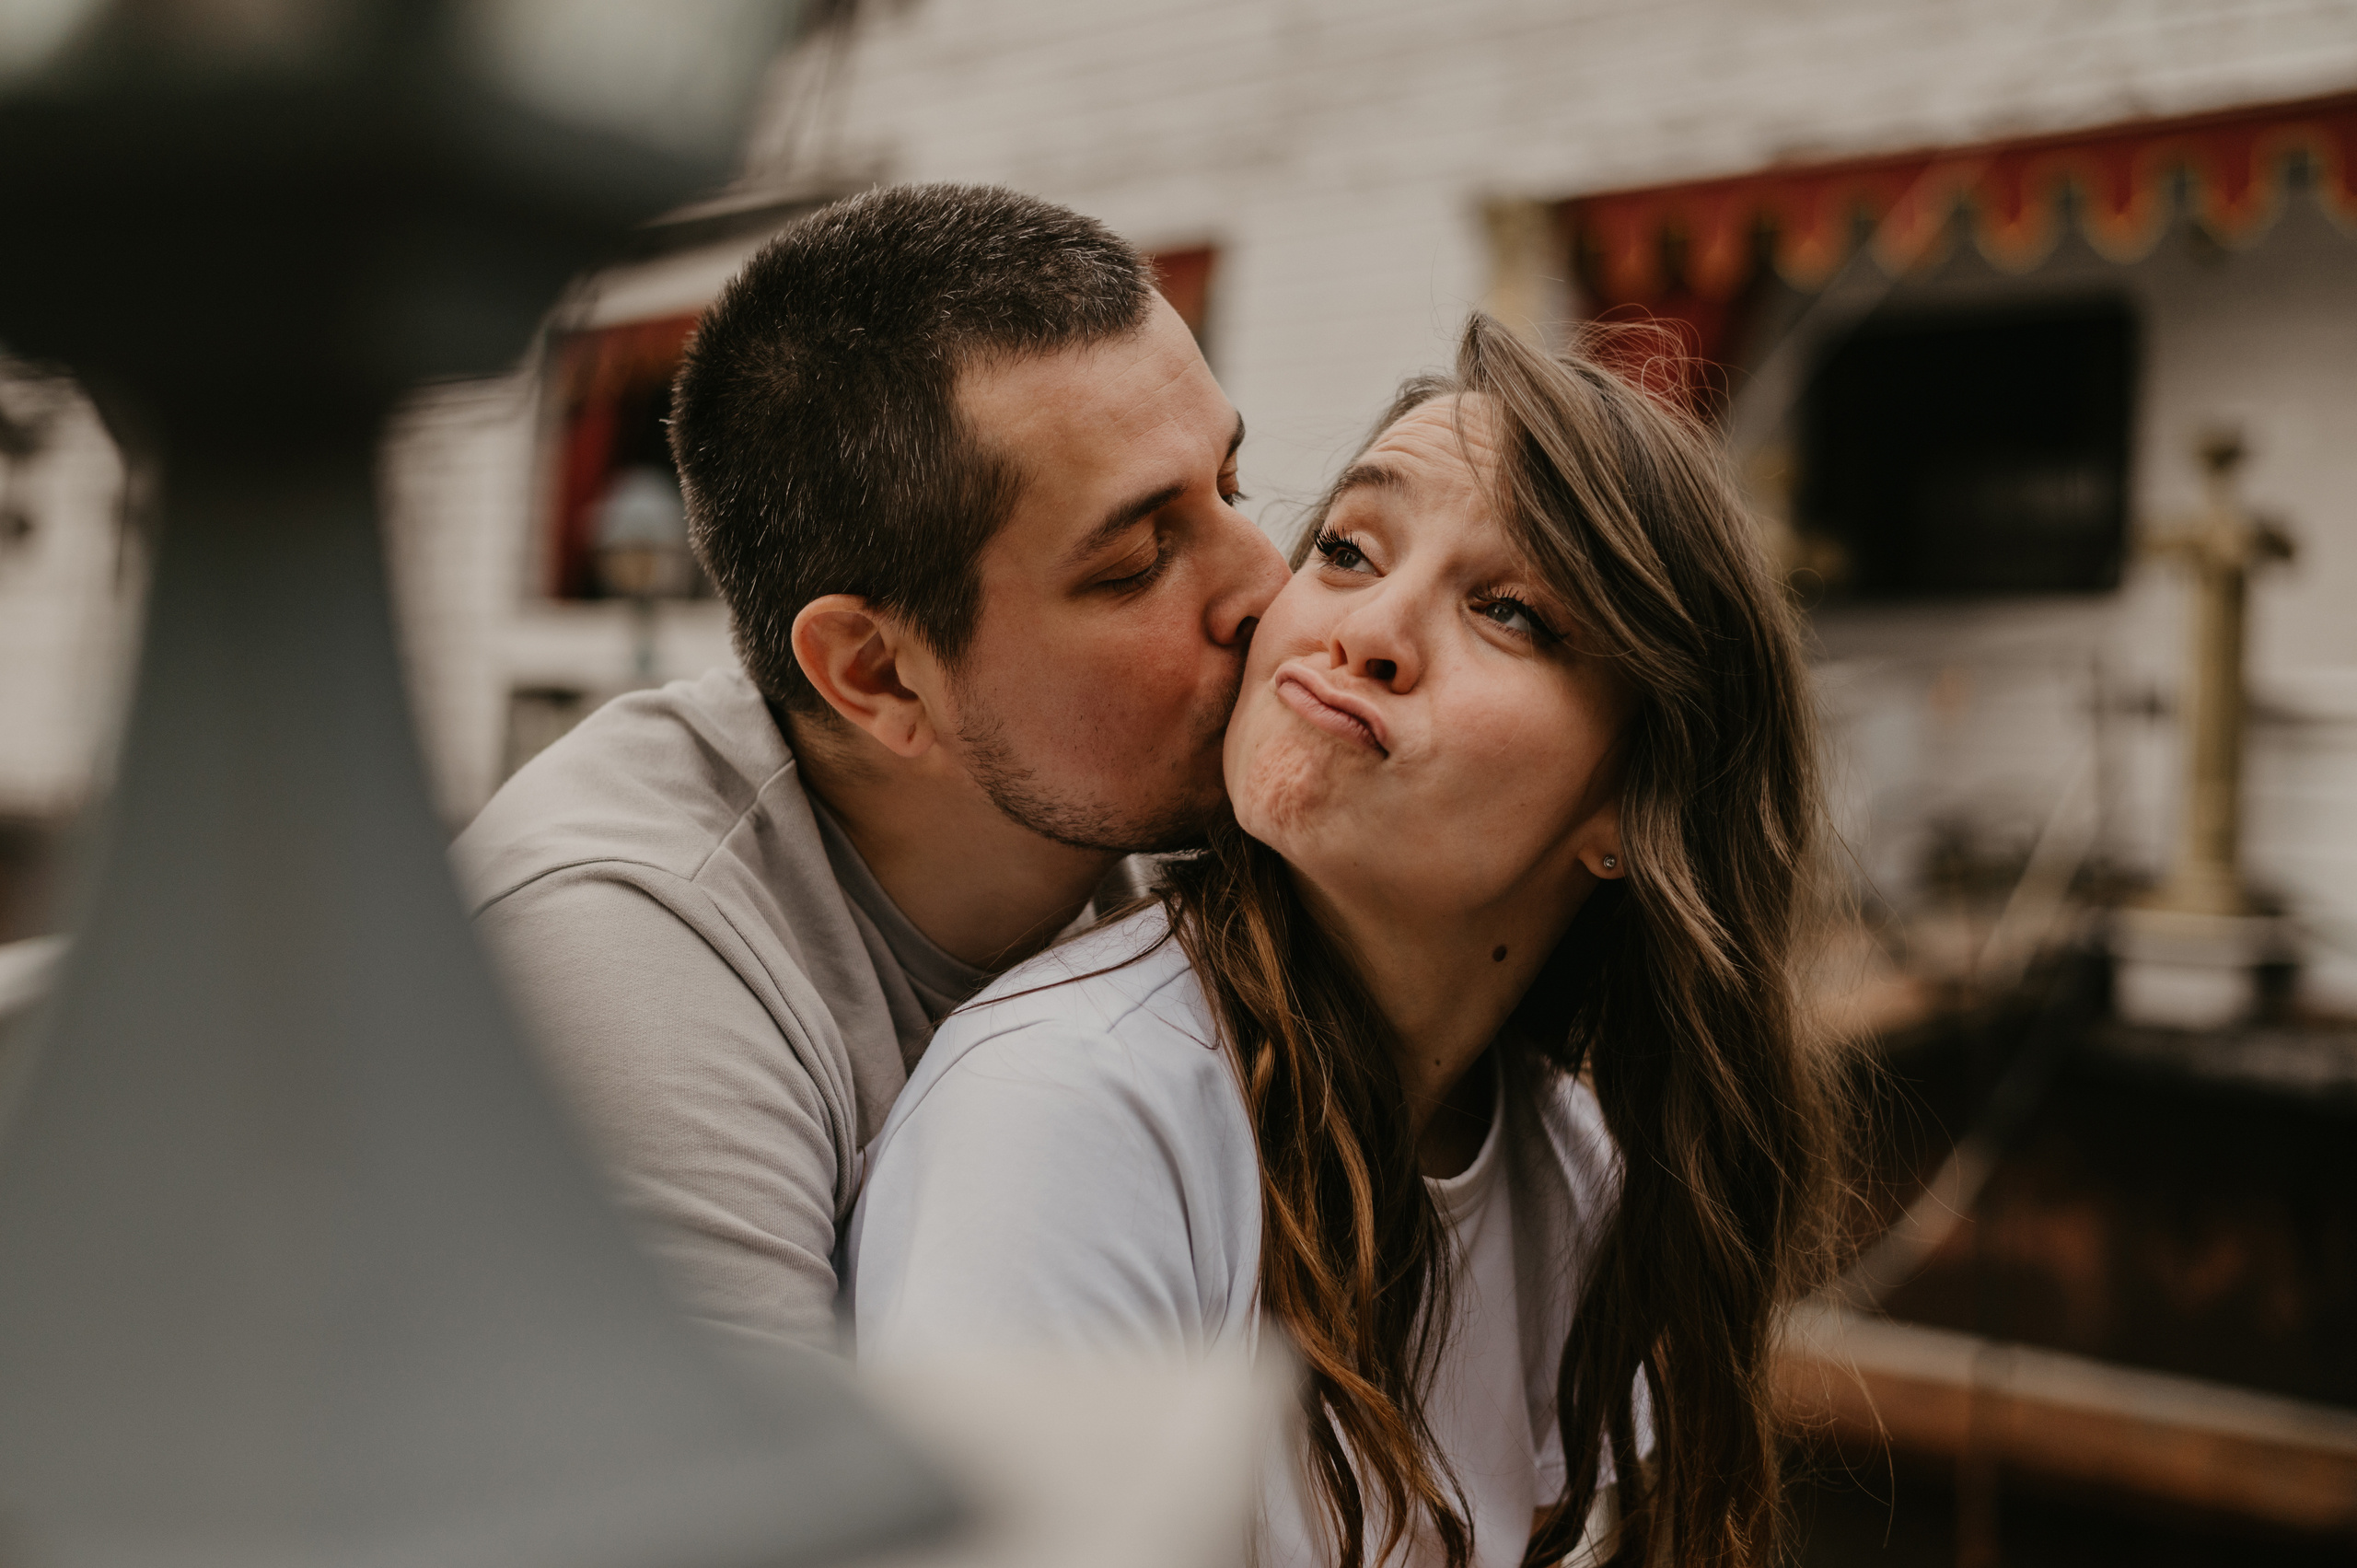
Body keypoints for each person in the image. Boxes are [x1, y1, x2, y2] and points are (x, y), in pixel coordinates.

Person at [849, 316, 1848, 1568]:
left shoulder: (1573, 1174)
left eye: (1511, 610)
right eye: (1346, 547)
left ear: (1629, 808)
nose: (1369, 626)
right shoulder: (1072, 1106)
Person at [455, 184, 1288, 1354]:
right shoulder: (618, 955)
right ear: (877, 676)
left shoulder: (1134, 818)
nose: (1270, 587)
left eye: (1234, 489)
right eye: (1140, 558)